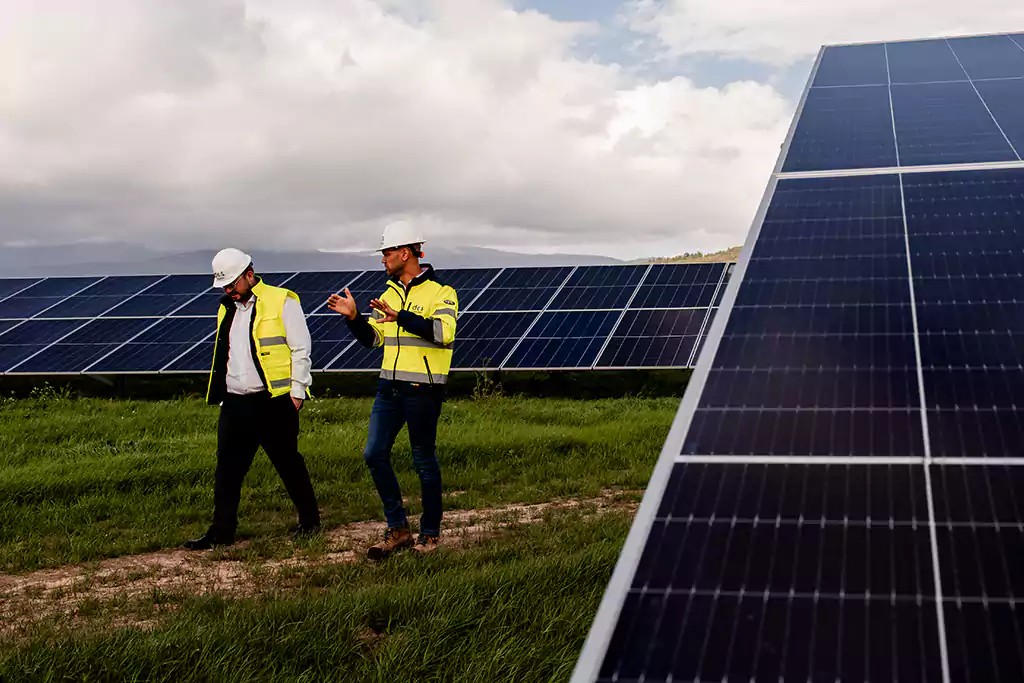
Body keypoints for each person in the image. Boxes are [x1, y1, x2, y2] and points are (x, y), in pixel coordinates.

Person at [327, 221, 457, 559]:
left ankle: (429, 535)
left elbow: (443, 333)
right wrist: (354, 317)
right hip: (389, 388)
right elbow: (372, 339)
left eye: (386, 252)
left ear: (405, 252)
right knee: (373, 453)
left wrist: (400, 317)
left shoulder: (442, 292)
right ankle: (397, 529)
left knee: (423, 461)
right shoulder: (386, 294)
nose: (382, 259)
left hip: (424, 389)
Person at [184, 248, 321, 550]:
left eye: (232, 284)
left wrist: (297, 393)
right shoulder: (227, 307)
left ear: (249, 275)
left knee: (288, 463)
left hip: (273, 401)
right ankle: (221, 532)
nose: (229, 290)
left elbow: (301, 349)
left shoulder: (282, 301)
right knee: (227, 469)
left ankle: (310, 522)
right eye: (224, 286)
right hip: (235, 403)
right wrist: (223, 394)